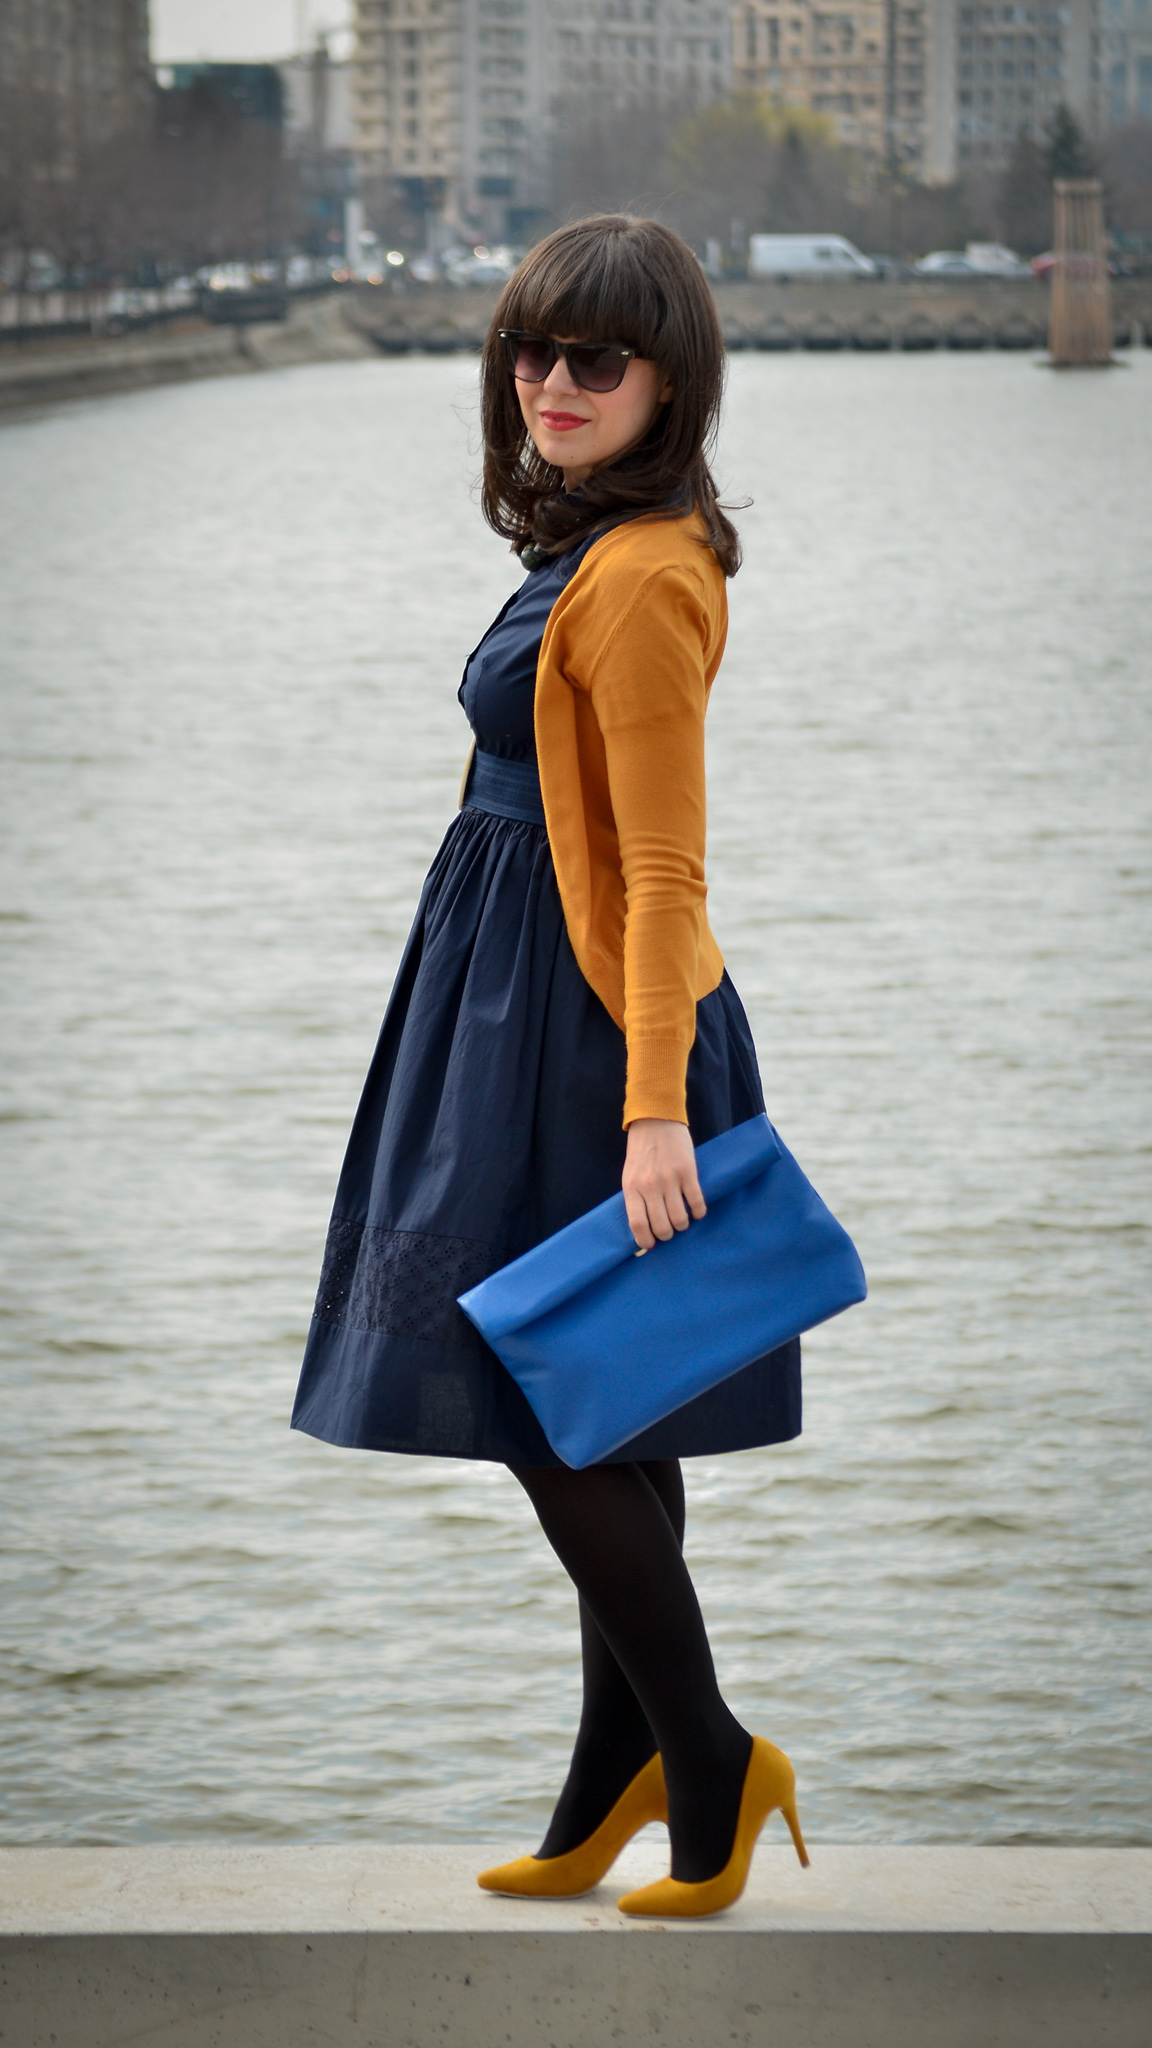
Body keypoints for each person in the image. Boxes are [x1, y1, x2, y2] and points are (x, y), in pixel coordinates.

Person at [291, 214, 809, 1918]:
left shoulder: (650, 575)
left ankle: (713, 1758)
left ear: (673, 383)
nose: (556, 384)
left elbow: (666, 868)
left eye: (598, 359)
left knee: (547, 1402)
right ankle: (620, 1770)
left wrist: (654, 1104)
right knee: (610, 1397)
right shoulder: (584, 546)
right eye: (534, 351)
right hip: (509, 1002)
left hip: (592, 1029)